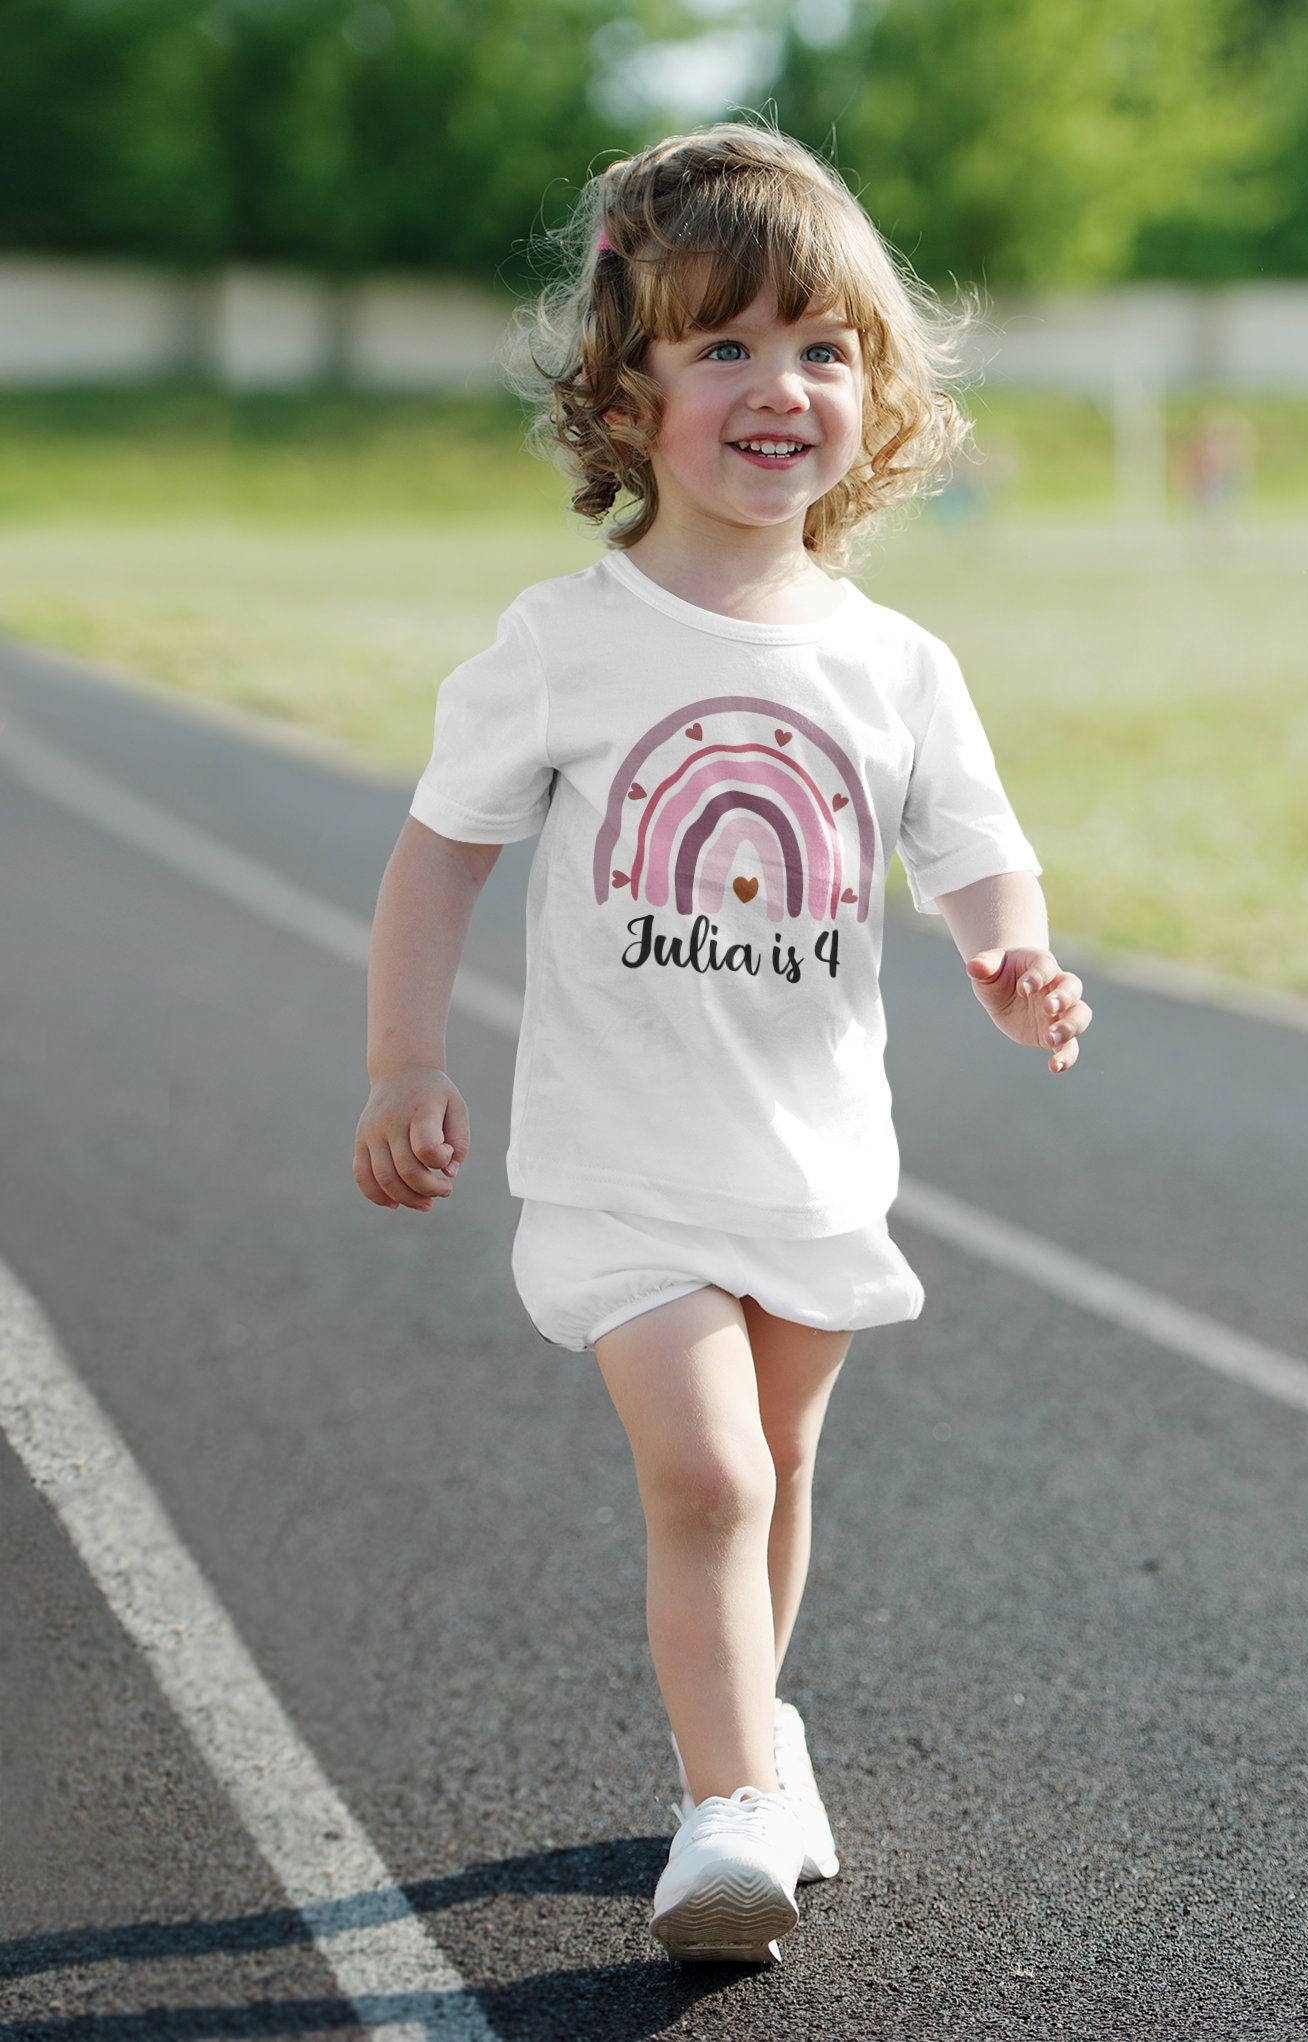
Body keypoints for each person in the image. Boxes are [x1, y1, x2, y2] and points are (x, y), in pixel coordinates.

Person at [353, 119, 1092, 1967]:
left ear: (880, 390)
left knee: (779, 1476)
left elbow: (976, 854)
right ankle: (731, 1808)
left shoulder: (897, 664)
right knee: (708, 1476)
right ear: (631, 388)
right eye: (727, 346)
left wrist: (1016, 965)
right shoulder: (565, 642)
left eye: (823, 349)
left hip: (816, 1159)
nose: (782, 387)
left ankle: (757, 1741)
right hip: (622, 1166)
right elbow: (438, 853)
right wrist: (401, 1062)